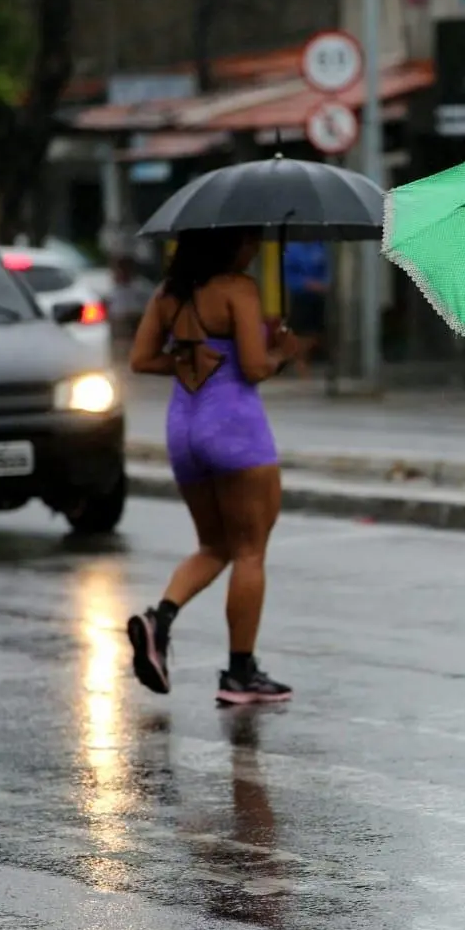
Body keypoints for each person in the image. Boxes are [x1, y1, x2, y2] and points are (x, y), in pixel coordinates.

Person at [126, 228, 301, 705]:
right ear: (228, 244)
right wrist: (281, 352)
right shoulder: (238, 289)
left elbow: (141, 359)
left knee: (214, 545)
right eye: (249, 240)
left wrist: (186, 357)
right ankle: (240, 673)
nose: (254, 246)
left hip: (183, 428)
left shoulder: (169, 295)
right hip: (234, 429)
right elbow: (252, 368)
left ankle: (158, 621)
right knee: (249, 551)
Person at [281, 241, 331, 378]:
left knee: (316, 332)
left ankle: (306, 359)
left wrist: (323, 284)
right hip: (300, 296)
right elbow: (289, 275)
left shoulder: (321, 246)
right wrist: (306, 284)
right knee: (301, 332)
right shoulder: (293, 249)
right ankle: (300, 362)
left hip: (319, 296)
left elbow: (328, 270)